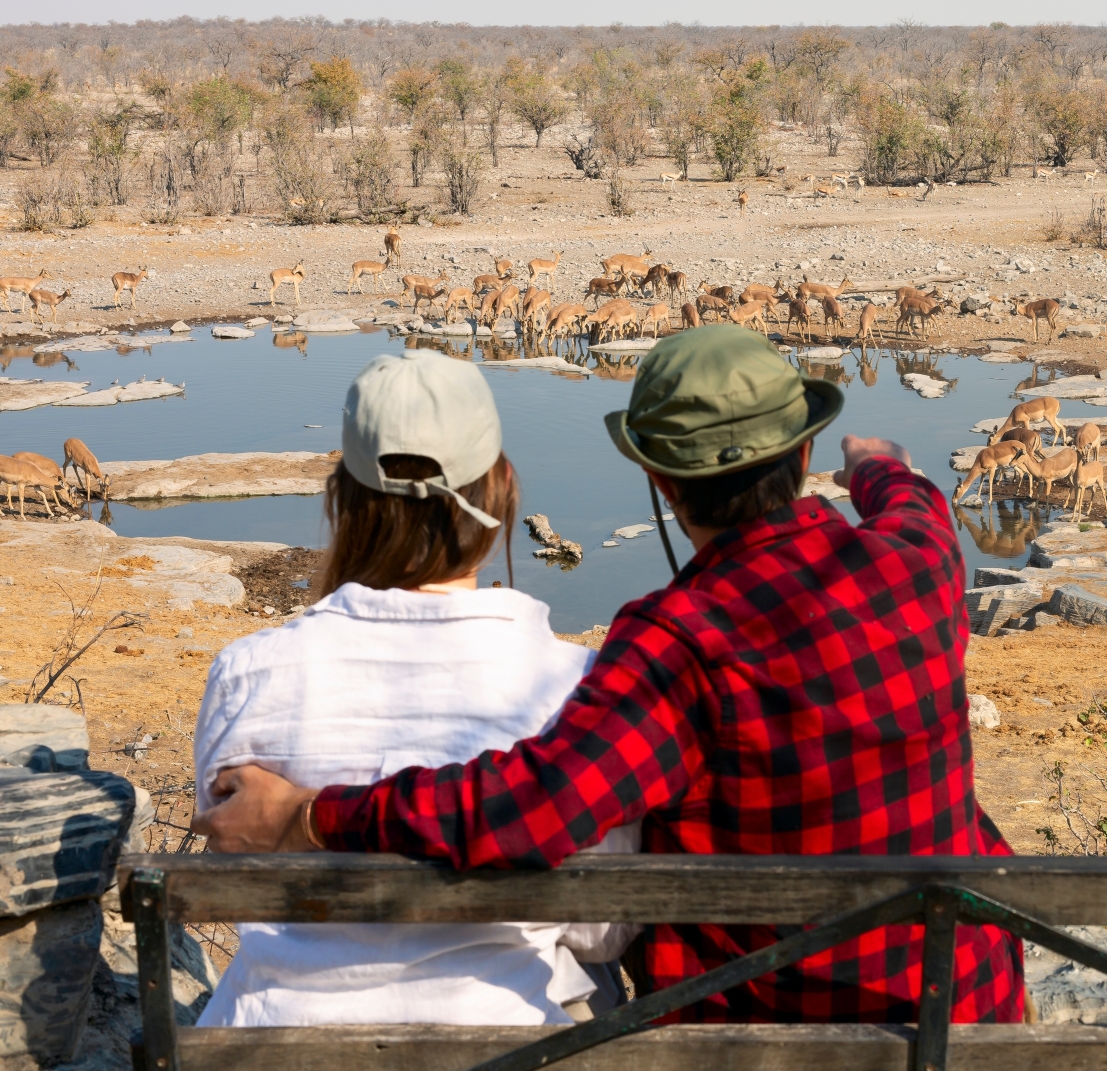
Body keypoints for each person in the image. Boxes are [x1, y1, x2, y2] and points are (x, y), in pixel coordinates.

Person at [196, 325, 1024, 1024]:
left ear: (659, 479)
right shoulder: (914, 559)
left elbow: (530, 810)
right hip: (964, 1000)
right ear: (805, 451)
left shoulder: (675, 643)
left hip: (768, 1031)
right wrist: (881, 466)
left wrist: (312, 816)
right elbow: (916, 500)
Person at [193, 349, 636, 1026]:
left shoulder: (249, 673)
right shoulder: (570, 686)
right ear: (501, 488)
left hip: (275, 1040)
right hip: (508, 1038)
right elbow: (602, 930)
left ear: (343, 498)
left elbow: (234, 874)